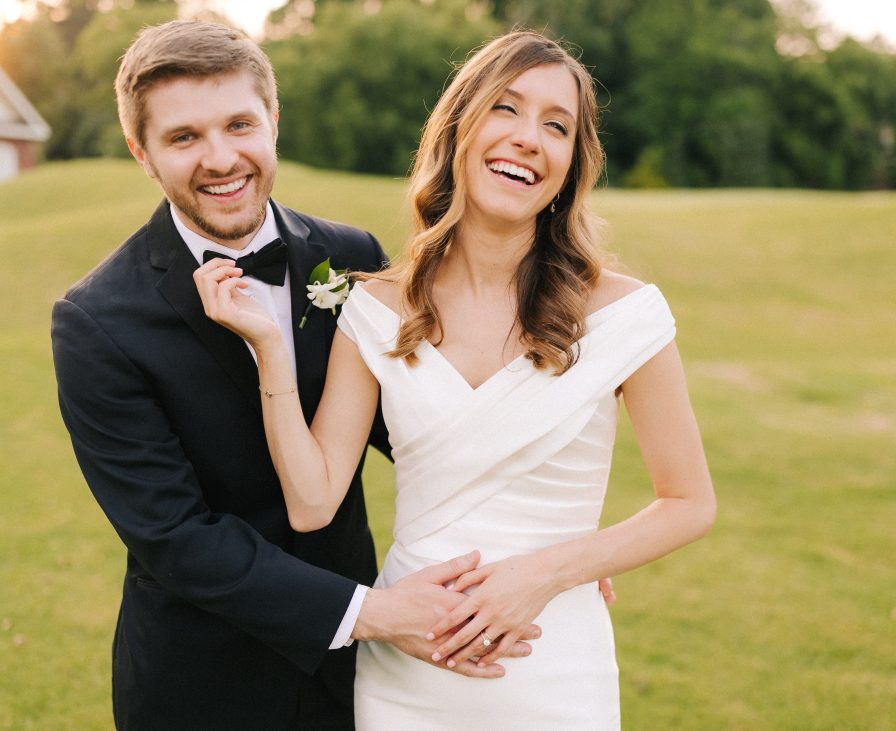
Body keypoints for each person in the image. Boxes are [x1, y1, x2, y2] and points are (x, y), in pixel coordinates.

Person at [195, 30, 717, 728]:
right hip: (409, 671)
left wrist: (549, 572)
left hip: (554, 667)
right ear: (458, 130)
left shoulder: (625, 314)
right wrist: (270, 348)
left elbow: (688, 502)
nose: (529, 137)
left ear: (571, 163)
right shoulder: (377, 309)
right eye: (506, 108)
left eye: (556, 126)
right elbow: (312, 501)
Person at [50, 20, 542, 731]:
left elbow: (418, 428)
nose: (221, 159)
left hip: (354, 679)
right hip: (202, 682)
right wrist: (373, 612)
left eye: (239, 124)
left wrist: (535, 539)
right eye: (184, 137)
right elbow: (176, 538)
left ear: (273, 121)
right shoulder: (95, 321)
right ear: (142, 153)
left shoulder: (349, 256)